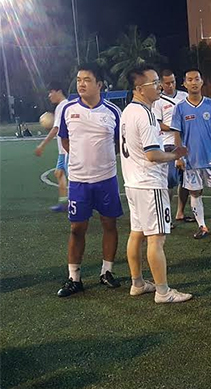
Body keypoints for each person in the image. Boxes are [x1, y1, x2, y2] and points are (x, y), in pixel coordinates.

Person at [120, 65, 192, 303]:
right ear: (140, 89)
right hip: (149, 183)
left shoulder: (128, 111)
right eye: (154, 83)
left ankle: (138, 283)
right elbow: (152, 155)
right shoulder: (146, 114)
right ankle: (163, 292)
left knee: (137, 233)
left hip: (133, 182)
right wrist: (174, 155)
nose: (159, 86)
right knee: (156, 238)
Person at [56, 63, 123, 297]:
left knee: (109, 224)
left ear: (99, 84)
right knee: (77, 228)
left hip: (106, 179)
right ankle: (74, 278)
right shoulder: (68, 109)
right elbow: (65, 141)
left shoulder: (113, 112)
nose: (81, 84)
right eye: (78, 80)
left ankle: (107, 272)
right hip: (79, 181)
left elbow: (119, 143)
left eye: (86, 80)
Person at [170, 68, 211, 239]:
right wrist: (179, 157)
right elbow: (176, 134)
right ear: (184, 84)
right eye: (190, 80)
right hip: (191, 160)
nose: (193, 82)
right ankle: (202, 226)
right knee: (195, 192)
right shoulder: (180, 108)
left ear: (202, 82)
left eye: (196, 79)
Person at [152, 69, 191, 227]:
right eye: (167, 83)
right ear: (161, 84)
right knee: (170, 180)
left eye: (173, 82)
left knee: (186, 180)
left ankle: (180, 212)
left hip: (186, 142)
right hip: (168, 143)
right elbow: (158, 123)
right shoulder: (158, 101)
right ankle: (165, 214)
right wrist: (175, 127)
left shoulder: (184, 96)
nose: (170, 85)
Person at [35, 82, 69, 212]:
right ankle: (64, 203)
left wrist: (42, 145)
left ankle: (80, 203)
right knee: (59, 173)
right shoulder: (62, 106)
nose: (49, 95)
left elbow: (56, 129)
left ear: (58, 91)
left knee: (74, 179)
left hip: (67, 150)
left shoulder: (63, 106)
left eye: (51, 92)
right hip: (63, 150)